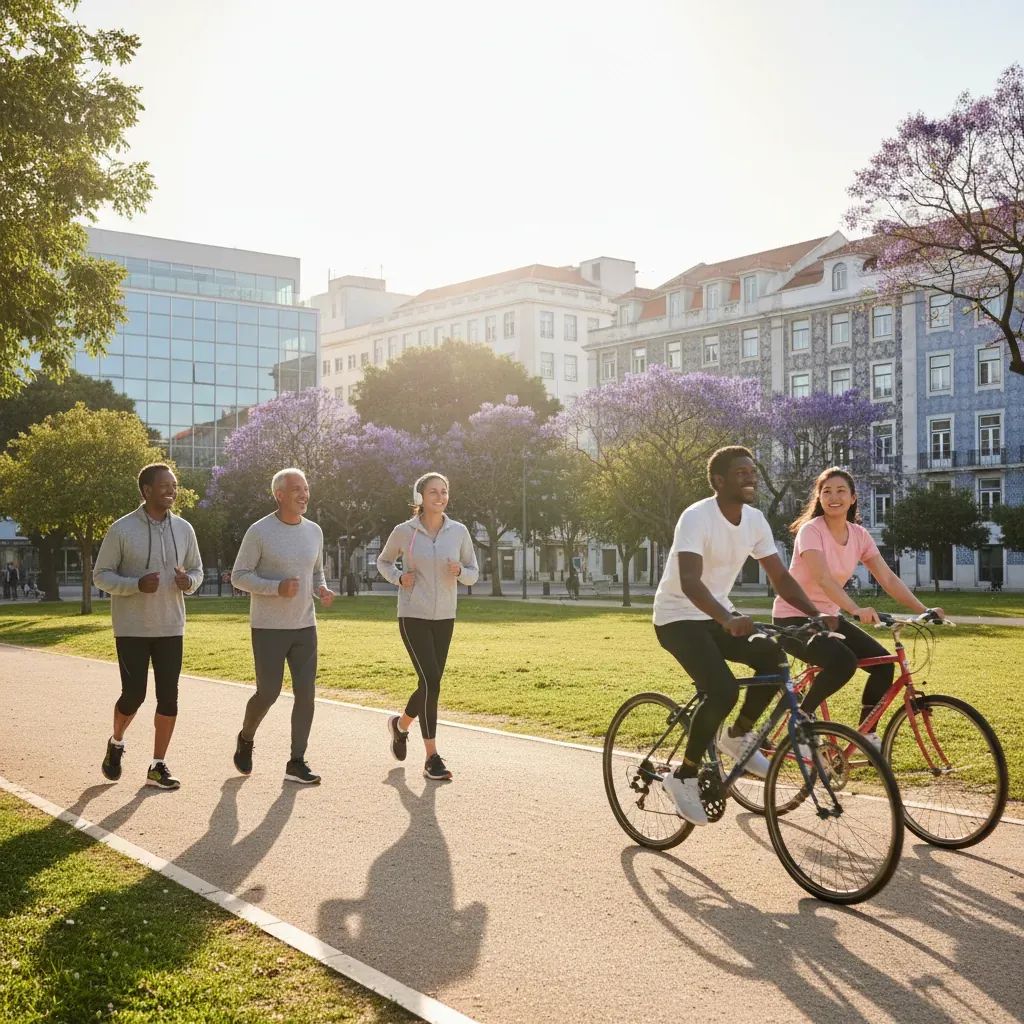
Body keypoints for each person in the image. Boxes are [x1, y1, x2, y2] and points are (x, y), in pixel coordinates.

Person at [653, 446, 825, 826]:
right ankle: (683, 776)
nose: (750, 477)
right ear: (718, 481)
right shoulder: (696, 517)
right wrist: (726, 617)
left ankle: (737, 734)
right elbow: (690, 582)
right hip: (677, 618)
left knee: (772, 656)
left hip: (716, 615)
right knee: (723, 690)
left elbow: (780, 577)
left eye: (752, 471)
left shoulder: (755, 521)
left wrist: (817, 614)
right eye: (740, 472)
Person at [773, 467, 944, 744]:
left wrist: (922, 609)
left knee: (883, 664)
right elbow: (823, 579)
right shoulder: (810, 531)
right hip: (793, 619)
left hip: (827, 618)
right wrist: (855, 609)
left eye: (841, 491)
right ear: (819, 498)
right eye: (826, 492)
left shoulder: (860, 535)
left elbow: (887, 577)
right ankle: (801, 723)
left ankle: (866, 734)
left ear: (853, 498)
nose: (833, 497)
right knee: (843, 662)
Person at [93, 463, 204, 790]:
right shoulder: (122, 530)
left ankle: (158, 766)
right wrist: (135, 584)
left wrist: (189, 582)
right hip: (132, 628)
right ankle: (116, 742)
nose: (171, 490)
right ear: (146, 491)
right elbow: (101, 575)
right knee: (134, 695)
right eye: (164, 485)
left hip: (171, 626)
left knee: (169, 698)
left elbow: (198, 570)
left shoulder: (184, 529)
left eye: (174, 484)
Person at [231, 468, 335, 785]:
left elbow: (316, 573)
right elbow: (239, 576)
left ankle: (296, 761)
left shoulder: (314, 531)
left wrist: (322, 589)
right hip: (268, 628)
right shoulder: (260, 532)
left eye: (306, 488)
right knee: (268, 692)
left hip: (305, 626)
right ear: (279, 494)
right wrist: (276, 587)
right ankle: (246, 737)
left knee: (306, 695)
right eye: (296, 489)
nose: (303, 494)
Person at [376, 472, 479, 781]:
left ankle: (400, 725)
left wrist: (460, 570)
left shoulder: (458, 531)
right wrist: (398, 577)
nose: (440, 496)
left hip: (445, 616)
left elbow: (473, 573)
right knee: (432, 681)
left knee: (428, 683)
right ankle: (432, 757)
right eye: (433, 491)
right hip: (412, 615)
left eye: (444, 491)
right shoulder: (404, 531)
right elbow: (383, 562)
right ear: (420, 497)